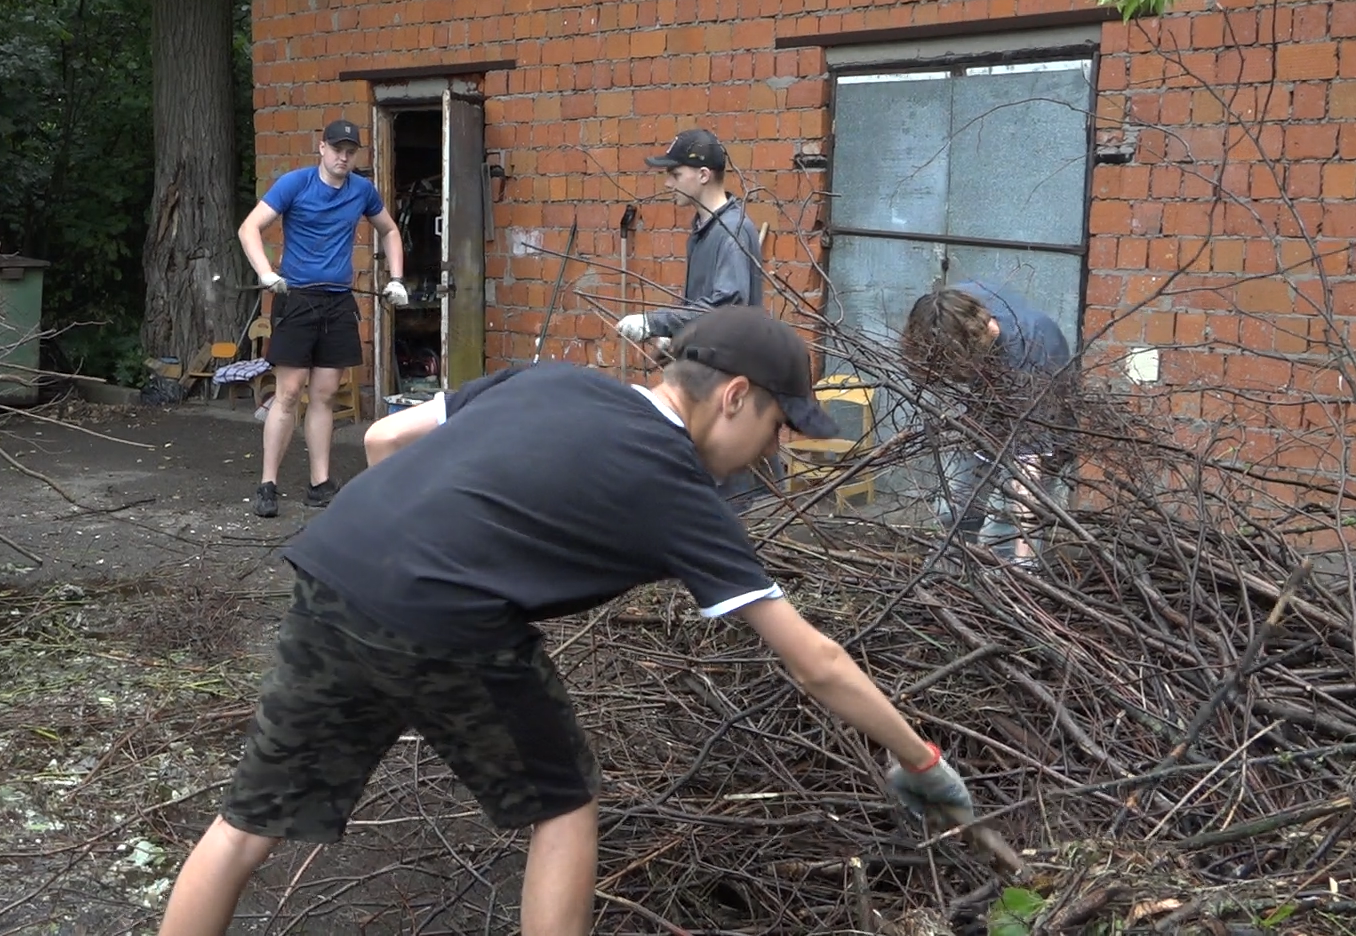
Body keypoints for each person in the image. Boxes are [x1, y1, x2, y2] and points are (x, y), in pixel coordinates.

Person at [155, 306, 977, 936]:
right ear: (735, 397)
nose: (773, 452)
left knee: (246, 824)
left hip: (337, 570)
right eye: (778, 428)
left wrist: (421, 544)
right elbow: (815, 662)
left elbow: (386, 435)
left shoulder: (555, 380)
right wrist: (921, 760)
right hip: (452, 618)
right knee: (564, 807)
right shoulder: (681, 494)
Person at [238, 119, 408, 518]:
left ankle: (319, 483)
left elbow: (390, 230)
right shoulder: (295, 184)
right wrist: (266, 273)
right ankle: (268, 484)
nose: (342, 157)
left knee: (325, 395)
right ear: (322, 147)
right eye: (336, 149)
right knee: (289, 392)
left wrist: (396, 278)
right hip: (296, 299)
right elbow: (250, 228)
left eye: (350, 151)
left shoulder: (362, 191)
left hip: (337, 303)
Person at [616, 127, 774, 503]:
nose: (668, 183)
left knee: (735, 499)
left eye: (675, 174)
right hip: (709, 381)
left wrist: (655, 323)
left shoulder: (732, 231)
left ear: (703, 175)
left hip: (732, 386)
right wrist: (679, 339)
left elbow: (727, 307)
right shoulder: (704, 230)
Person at [900, 280, 1078, 566]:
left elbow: (1027, 471)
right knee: (952, 507)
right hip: (982, 418)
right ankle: (948, 581)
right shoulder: (947, 311)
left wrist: (1025, 558)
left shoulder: (1033, 348)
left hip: (1039, 430)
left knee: (1005, 524)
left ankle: (1012, 590)